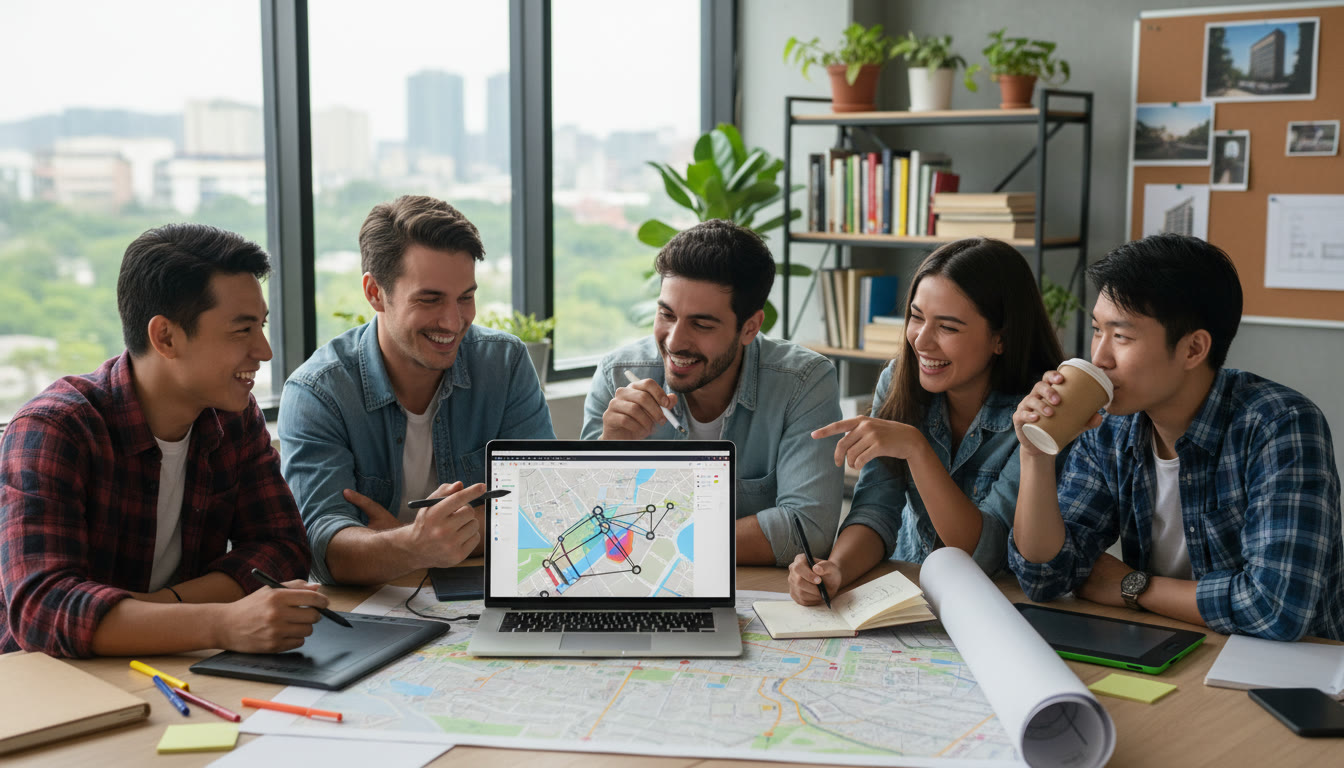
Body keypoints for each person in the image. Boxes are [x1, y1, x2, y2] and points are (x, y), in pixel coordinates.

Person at [0, 224, 319, 658]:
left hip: (172, 662)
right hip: (56, 683)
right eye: (242, 330)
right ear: (165, 337)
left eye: (261, 326)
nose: (264, 350)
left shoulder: (234, 417)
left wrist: (152, 613)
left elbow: (283, 549)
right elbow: (43, 609)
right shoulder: (56, 429)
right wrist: (222, 623)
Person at [1010, 233, 1343, 641]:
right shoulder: (1111, 427)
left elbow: (1276, 609)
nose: (1099, 357)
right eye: (1098, 330)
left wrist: (1133, 586)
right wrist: (1035, 455)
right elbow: (1045, 576)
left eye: (1122, 336)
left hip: (1295, 672)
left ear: (1193, 349)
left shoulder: (1279, 425)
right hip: (1173, 642)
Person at [279, 195, 554, 586]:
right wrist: (414, 544)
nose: (453, 321)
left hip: (474, 594)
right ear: (375, 292)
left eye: (466, 297)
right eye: (430, 299)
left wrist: (398, 543)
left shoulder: (504, 363)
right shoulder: (318, 393)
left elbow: (544, 505)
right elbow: (324, 550)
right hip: (370, 613)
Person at [787, 239, 1066, 605]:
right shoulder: (898, 381)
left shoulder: (1041, 413)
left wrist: (917, 450)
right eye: (916, 317)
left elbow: (984, 554)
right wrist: (834, 570)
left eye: (948, 327)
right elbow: (876, 510)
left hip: (999, 609)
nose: (921, 340)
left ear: (1001, 338)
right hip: (912, 596)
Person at [582, 219, 843, 565]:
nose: (674, 341)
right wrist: (611, 445)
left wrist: (662, 540)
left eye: (702, 324)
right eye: (666, 314)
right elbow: (582, 524)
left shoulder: (803, 382)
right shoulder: (618, 374)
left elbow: (808, 529)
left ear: (749, 327)